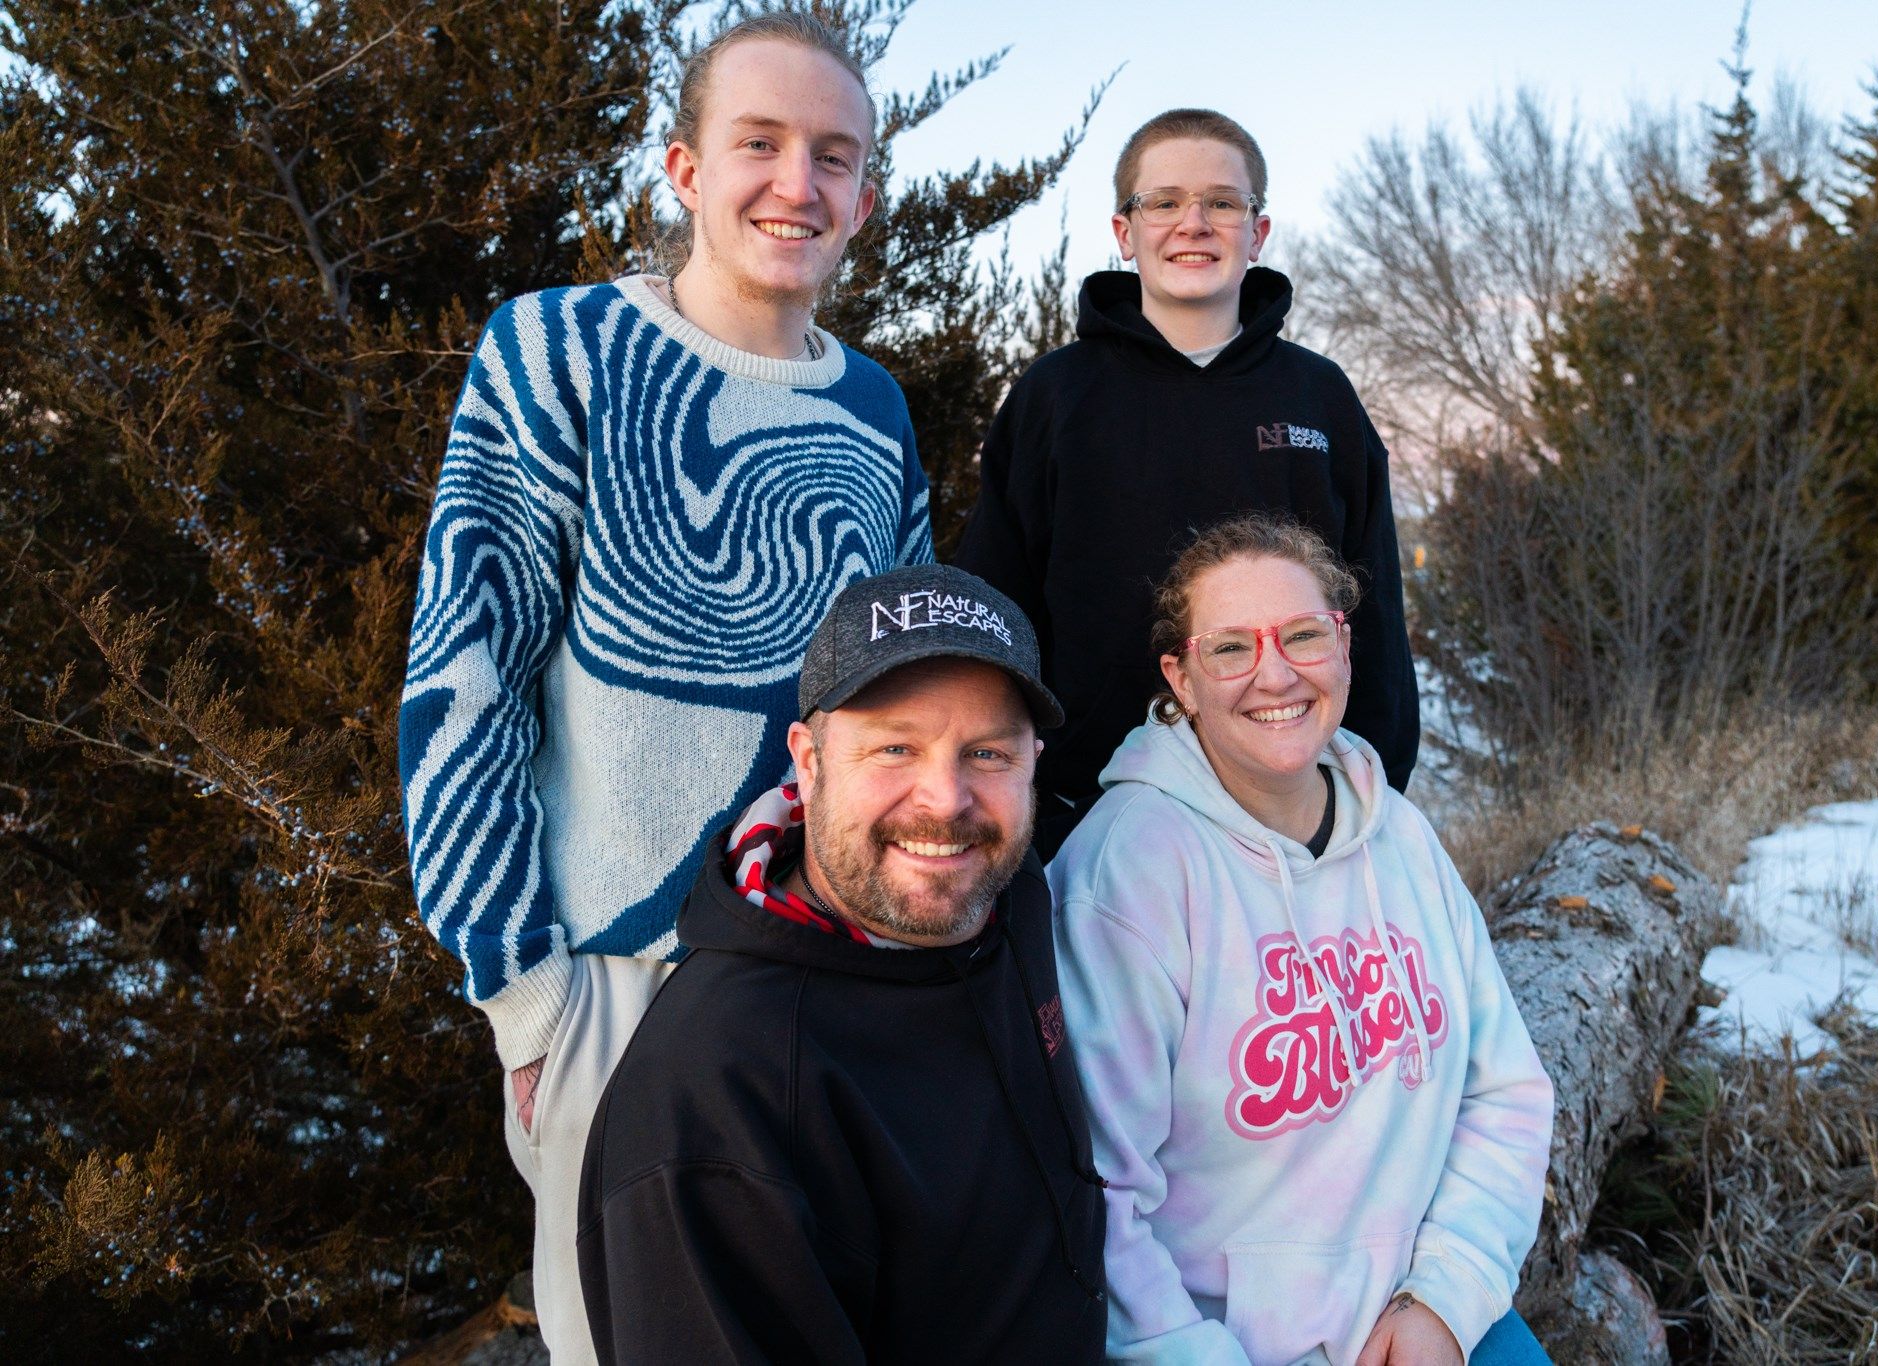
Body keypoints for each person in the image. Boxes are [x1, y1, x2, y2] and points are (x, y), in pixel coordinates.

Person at [396, 15, 929, 1361]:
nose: (796, 183)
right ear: (686, 168)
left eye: (834, 154)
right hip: (618, 992)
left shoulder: (876, 412)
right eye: (759, 143)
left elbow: (906, 711)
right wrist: (527, 998)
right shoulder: (553, 354)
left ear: (866, 193)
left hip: (832, 981)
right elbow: (466, 682)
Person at [1050, 515, 1554, 1366]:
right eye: (1230, 648)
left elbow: (1504, 1090)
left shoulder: (1399, 834)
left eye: (1303, 635)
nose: (1274, 674)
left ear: (1345, 646)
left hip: (1428, 1309)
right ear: (1180, 675)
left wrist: (1446, 1294)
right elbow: (1099, 1195)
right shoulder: (1124, 875)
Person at [577, 564, 1109, 1363]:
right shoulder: (715, 1099)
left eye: (988, 753)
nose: (946, 800)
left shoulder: (1003, 891)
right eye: (895, 747)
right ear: (809, 758)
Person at [955, 108, 1418, 858]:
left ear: (1257, 232)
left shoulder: (1319, 397)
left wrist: (1377, 781)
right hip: (1088, 808)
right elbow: (996, 607)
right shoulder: (1055, 397)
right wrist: (1007, 784)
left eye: (1223, 203)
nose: (1193, 223)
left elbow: (1374, 609)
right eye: (1164, 202)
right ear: (1124, 232)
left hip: (1293, 809)